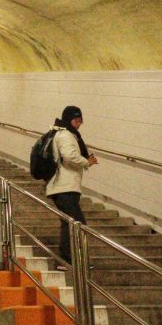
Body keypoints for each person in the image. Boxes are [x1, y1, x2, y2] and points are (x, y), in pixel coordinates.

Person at [46, 105, 98, 270]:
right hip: (63, 187)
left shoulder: (68, 135)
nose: (79, 124)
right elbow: (69, 156)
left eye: (81, 121)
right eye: (76, 120)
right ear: (69, 119)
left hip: (65, 187)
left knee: (68, 223)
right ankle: (68, 260)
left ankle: (67, 260)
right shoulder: (65, 135)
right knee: (77, 223)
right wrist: (86, 162)